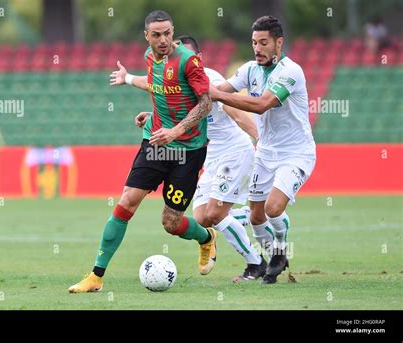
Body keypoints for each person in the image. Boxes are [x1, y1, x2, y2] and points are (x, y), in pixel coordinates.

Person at [68, 10, 215, 293]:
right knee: (127, 201)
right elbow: (159, 86)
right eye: (156, 35)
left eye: (168, 33)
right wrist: (149, 109)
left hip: (188, 150)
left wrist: (176, 130)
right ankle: (96, 276)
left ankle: (206, 237)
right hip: (156, 143)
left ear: (173, 32)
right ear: (146, 36)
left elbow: (205, 103)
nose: (163, 40)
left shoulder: (188, 61)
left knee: (170, 223)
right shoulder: (149, 57)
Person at [112, 35, 268, 282]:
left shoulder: (211, 80)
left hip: (233, 151)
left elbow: (237, 115)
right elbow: (152, 85)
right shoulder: (173, 79)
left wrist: (260, 141)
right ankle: (255, 216)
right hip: (209, 155)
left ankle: (256, 264)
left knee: (216, 215)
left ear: (198, 59)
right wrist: (130, 82)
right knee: (203, 218)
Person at [210, 16, 316, 284]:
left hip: (296, 152)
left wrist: (217, 95)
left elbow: (261, 104)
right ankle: (273, 260)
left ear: (279, 43)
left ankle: (279, 252)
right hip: (266, 152)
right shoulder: (249, 69)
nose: (257, 48)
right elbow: (217, 91)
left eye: (264, 42)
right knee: (256, 216)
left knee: (273, 207)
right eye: (254, 42)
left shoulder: (291, 72)